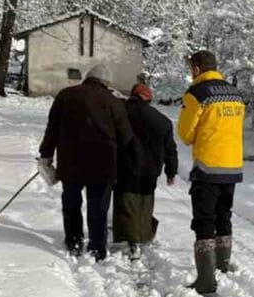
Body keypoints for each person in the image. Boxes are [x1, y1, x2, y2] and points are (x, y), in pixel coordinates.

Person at [39, 65, 133, 261]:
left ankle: (73, 241)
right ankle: (97, 247)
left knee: (71, 203)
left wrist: (46, 154)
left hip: (70, 162)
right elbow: (126, 137)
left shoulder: (65, 95)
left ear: (87, 78)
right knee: (98, 207)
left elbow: (52, 128)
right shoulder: (113, 102)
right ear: (106, 83)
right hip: (103, 165)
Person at [177, 50, 246, 296]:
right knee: (223, 215)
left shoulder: (197, 94)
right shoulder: (236, 95)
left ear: (196, 69)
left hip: (207, 168)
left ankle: (206, 280)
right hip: (232, 168)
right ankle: (222, 266)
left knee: (204, 220)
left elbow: (185, 135)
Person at [114, 82, 179, 257]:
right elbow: (170, 149)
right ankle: (143, 235)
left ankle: (129, 240)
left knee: (126, 201)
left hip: (124, 166)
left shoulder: (121, 113)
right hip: (151, 170)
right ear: (149, 99)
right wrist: (171, 171)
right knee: (145, 202)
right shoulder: (163, 121)